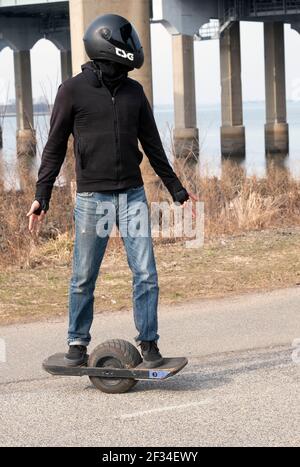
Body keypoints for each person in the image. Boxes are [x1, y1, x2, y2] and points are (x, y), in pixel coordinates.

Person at [27, 14, 193, 368]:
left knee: (146, 273)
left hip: (132, 195)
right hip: (93, 200)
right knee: (84, 274)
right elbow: (54, 147)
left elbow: (152, 144)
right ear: (109, 47)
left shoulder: (134, 91)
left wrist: (176, 188)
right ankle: (76, 343)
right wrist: (42, 194)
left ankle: (148, 343)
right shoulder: (72, 91)